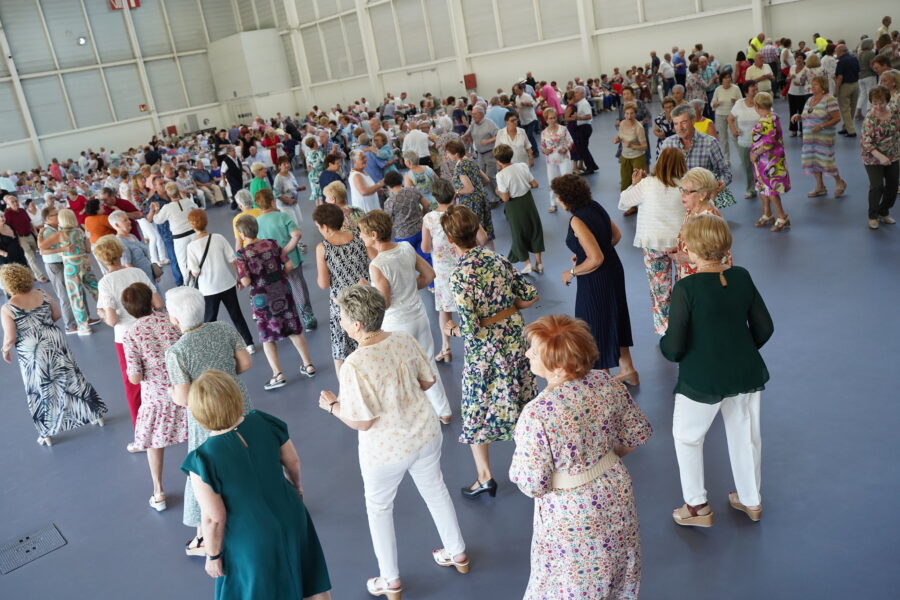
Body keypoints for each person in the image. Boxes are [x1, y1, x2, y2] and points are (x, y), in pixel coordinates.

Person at [318, 284, 467, 599]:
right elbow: (428, 381)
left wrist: (333, 407)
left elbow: (362, 421)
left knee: (380, 509)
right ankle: (458, 553)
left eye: (342, 317)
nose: (340, 321)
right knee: (436, 491)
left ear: (357, 324)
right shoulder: (403, 339)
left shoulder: (354, 364)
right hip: (425, 434)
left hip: (385, 451)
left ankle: (391, 580)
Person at [510, 314, 652, 599]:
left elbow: (533, 484)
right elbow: (636, 435)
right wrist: (601, 458)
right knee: (617, 571)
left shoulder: (537, 414)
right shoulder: (605, 382)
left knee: (571, 582)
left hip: (572, 509)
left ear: (558, 366)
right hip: (614, 490)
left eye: (534, 351)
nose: (527, 354)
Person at [660, 214, 773, 527]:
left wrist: (666, 348)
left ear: (692, 249)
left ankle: (697, 507)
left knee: (687, 437)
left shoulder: (687, 288)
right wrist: (739, 350)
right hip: (745, 372)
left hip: (702, 378)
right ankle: (751, 500)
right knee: (745, 435)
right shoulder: (742, 276)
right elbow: (765, 327)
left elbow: (674, 346)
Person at [181, 371, 332, 599]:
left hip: (250, 537)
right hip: (291, 513)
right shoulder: (263, 421)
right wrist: (297, 488)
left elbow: (214, 517)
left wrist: (213, 556)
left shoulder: (203, 460)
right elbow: (292, 462)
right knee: (310, 581)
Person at [441, 205, 538, 498]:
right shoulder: (498, 259)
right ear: (476, 229)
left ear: (450, 239)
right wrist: (505, 309)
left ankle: (485, 476)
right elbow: (530, 295)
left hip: (485, 353)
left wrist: (452, 330)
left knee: (476, 408)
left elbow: (470, 327)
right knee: (521, 397)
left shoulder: (459, 274)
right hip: (513, 339)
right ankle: (533, 464)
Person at [163, 285, 254, 557]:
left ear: (175, 319)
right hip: (238, 402)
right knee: (249, 452)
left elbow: (183, 398)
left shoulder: (176, 352)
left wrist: (171, 393)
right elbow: (245, 364)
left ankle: (203, 535)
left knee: (203, 470)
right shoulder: (223, 328)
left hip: (206, 416)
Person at [357, 210, 452, 423]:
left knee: (402, 372)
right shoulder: (406, 247)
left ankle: (415, 416)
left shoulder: (377, 265)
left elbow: (385, 302)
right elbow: (429, 275)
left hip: (397, 324)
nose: (360, 236)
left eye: (362, 232)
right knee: (428, 363)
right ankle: (444, 411)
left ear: (373, 235)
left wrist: (368, 290)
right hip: (419, 316)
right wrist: (408, 287)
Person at [1, 263, 106, 447]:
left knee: (40, 387)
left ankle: (47, 431)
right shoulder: (42, 294)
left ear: (8, 284)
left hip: (32, 350)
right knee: (71, 375)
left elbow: (10, 337)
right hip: (54, 340)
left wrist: (4, 350)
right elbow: (57, 315)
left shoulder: (8, 308)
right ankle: (95, 415)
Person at [553, 174, 637, 382]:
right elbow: (616, 236)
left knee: (593, 323)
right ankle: (628, 369)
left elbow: (596, 259)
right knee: (616, 315)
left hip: (596, 278)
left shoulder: (577, 220)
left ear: (565, 198)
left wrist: (571, 272)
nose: (556, 199)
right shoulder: (595, 206)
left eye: (557, 196)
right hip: (614, 269)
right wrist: (585, 252)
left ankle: (603, 379)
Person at [121, 282, 187, 510]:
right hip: (183, 387)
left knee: (153, 442)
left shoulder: (131, 334)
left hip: (157, 397)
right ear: (151, 300)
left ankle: (158, 491)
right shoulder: (170, 319)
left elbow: (135, 377)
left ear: (128, 309)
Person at [234, 214, 316, 390]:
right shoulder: (272, 244)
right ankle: (308, 364)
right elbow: (289, 265)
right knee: (294, 328)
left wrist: (242, 280)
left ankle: (278, 374)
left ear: (242, 234)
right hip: (282, 291)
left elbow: (246, 281)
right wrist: (278, 278)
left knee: (267, 336)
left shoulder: (242, 254)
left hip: (261, 298)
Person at [618, 147, 688, 335]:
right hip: (681, 245)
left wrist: (634, 184)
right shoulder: (686, 186)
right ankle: (686, 327)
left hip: (653, 243)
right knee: (685, 288)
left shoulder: (647, 184)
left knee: (659, 291)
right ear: (682, 164)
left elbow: (624, 202)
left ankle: (665, 331)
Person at [95, 235, 162, 428]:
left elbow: (112, 320)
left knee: (132, 383)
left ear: (101, 259)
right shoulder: (137, 272)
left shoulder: (105, 283)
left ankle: (141, 427)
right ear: (120, 252)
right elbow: (158, 304)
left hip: (125, 337)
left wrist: (101, 314)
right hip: (150, 330)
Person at [312, 203, 371, 374]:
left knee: (341, 350)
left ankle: (345, 387)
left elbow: (323, 283)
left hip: (342, 303)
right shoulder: (359, 237)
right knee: (367, 339)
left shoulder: (323, 248)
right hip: (365, 296)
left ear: (325, 227)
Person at [185, 209, 255, 350]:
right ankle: (249, 343)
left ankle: (214, 349)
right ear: (206, 221)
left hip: (208, 289)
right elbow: (233, 260)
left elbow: (196, 272)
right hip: (227, 283)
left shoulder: (191, 246)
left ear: (192, 225)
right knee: (236, 315)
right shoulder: (218, 238)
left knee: (210, 320)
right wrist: (238, 276)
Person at [254, 189, 317, 329]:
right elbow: (297, 235)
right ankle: (308, 317)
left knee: (279, 291)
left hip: (271, 263)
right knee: (298, 286)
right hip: (292, 259)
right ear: (272, 202)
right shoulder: (283, 217)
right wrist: (285, 251)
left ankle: (288, 321)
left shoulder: (256, 223)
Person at [421, 178, 464, 364]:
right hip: (463, 266)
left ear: (435, 197)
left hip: (443, 271)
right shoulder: (461, 213)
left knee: (444, 310)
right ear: (453, 194)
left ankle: (446, 347)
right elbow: (482, 238)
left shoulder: (429, 218)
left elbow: (425, 248)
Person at [661, 105, 734, 209]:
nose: (679, 128)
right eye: (676, 123)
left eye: (683, 122)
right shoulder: (668, 143)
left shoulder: (710, 143)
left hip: (702, 204)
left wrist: (721, 183)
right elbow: (660, 172)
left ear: (693, 120)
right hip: (675, 204)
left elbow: (725, 173)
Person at [791, 75, 847, 198]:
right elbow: (806, 116)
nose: (812, 86)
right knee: (813, 161)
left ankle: (840, 182)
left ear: (823, 86)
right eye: (812, 84)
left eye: (815, 84)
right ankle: (820, 186)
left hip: (824, 138)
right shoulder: (809, 100)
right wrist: (798, 117)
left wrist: (821, 126)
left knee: (826, 160)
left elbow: (837, 118)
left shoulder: (829, 99)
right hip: (809, 139)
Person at [674, 168, 734, 280]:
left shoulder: (708, 220)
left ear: (702, 194)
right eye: (682, 189)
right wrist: (678, 246)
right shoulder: (692, 210)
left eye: (688, 192)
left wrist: (687, 258)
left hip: (705, 278)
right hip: (690, 273)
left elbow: (714, 257)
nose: (682, 195)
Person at [494, 144, 544, 274]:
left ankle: (527, 264)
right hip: (528, 202)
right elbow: (535, 184)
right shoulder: (522, 166)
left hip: (514, 206)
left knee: (518, 233)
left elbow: (505, 198)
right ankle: (539, 263)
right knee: (535, 229)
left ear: (498, 160)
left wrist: (498, 191)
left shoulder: (501, 175)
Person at [750, 92, 792, 231]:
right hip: (763, 162)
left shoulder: (767, 120)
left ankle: (782, 217)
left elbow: (769, 142)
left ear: (756, 106)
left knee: (772, 190)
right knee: (763, 188)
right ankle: (767, 214)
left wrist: (756, 153)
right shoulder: (771, 116)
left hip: (769, 161)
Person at [860, 85, 899, 229]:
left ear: (887, 101)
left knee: (893, 187)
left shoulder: (894, 113)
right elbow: (866, 142)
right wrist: (880, 157)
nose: (878, 106)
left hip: (893, 155)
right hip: (873, 158)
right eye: (874, 103)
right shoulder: (870, 118)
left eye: (881, 102)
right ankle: (873, 216)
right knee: (877, 186)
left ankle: (883, 212)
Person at [446, 139, 494, 246]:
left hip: (472, 203)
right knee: (487, 232)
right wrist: (478, 188)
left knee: (476, 234)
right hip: (483, 198)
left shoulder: (460, 167)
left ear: (456, 154)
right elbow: (486, 179)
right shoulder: (470, 161)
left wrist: (457, 191)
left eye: (448, 153)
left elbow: (469, 189)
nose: (447, 156)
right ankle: (493, 253)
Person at [147, 182, 198, 281]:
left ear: (168, 193)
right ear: (178, 191)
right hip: (193, 234)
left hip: (179, 238)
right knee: (197, 256)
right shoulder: (187, 201)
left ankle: (188, 282)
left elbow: (157, 220)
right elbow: (196, 208)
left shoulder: (167, 207)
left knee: (183, 263)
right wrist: (184, 197)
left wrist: (156, 210)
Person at [382, 171, 430, 256]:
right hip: (420, 229)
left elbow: (388, 221)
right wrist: (422, 216)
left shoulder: (389, 202)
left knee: (409, 260)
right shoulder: (412, 190)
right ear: (401, 180)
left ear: (388, 185)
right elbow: (426, 204)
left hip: (403, 235)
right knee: (425, 256)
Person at [728, 80, 762, 199]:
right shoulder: (739, 104)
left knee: (761, 166)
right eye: (753, 90)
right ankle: (750, 189)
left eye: (757, 89)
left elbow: (770, 116)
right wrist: (734, 130)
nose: (756, 91)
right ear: (746, 92)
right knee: (747, 167)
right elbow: (730, 119)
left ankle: (764, 188)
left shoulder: (761, 102)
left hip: (760, 143)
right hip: (744, 142)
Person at [3, 194, 46, 281]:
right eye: (12, 202)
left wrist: (36, 234)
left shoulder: (22, 210)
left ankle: (30, 274)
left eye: (16, 201)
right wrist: (16, 238)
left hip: (29, 235)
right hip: (20, 238)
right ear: (8, 204)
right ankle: (40, 276)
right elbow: (7, 227)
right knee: (31, 257)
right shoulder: (7, 214)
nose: (15, 203)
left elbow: (29, 222)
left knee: (36, 254)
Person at [538, 107, 573, 212]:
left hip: (564, 158)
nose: (553, 120)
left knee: (567, 181)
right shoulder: (544, 133)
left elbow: (570, 141)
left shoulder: (563, 129)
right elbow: (542, 146)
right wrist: (544, 151)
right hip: (551, 161)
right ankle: (553, 204)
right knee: (552, 182)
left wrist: (565, 148)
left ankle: (570, 202)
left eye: (554, 117)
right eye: (550, 118)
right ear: (546, 120)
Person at [109, 210, 155, 284]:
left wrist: (154, 272)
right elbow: (127, 264)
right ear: (117, 225)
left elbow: (144, 255)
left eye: (128, 219)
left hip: (150, 276)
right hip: (141, 280)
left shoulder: (132, 236)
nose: (129, 222)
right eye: (125, 220)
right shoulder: (120, 242)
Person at [614, 103, 649, 192]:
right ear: (624, 114)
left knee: (638, 183)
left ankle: (638, 200)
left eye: (632, 113)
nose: (629, 116)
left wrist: (631, 145)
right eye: (627, 113)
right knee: (625, 182)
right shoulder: (622, 123)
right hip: (625, 156)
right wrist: (617, 139)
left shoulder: (639, 127)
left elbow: (645, 147)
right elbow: (620, 135)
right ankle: (625, 199)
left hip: (637, 157)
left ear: (635, 114)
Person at [710, 72, 742, 161]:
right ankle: (726, 159)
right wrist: (715, 104)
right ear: (721, 80)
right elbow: (712, 103)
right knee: (723, 138)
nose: (727, 79)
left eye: (729, 77)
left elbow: (741, 102)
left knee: (735, 136)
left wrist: (736, 101)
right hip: (720, 115)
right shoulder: (718, 89)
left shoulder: (736, 88)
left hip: (732, 115)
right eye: (725, 78)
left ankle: (742, 157)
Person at [833, 44, 860, 136]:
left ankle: (851, 130)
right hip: (855, 84)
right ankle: (846, 127)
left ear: (841, 52)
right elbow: (858, 72)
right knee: (852, 108)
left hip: (845, 86)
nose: (836, 53)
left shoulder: (841, 62)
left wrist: (836, 89)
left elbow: (840, 77)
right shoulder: (854, 58)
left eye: (836, 52)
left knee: (845, 109)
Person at [572, 86, 599, 174]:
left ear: (582, 94)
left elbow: (589, 116)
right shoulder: (579, 103)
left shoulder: (584, 103)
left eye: (576, 92)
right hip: (582, 127)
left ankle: (590, 168)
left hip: (584, 127)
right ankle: (592, 166)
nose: (574, 94)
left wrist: (578, 118)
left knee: (583, 149)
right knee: (583, 149)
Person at [273, 157, 307, 227]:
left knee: (300, 221)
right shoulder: (278, 179)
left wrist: (299, 188)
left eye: (288, 163)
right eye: (284, 164)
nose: (287, 165)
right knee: (294, 224)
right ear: (279, 166)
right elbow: (276, 194)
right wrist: (288, 200)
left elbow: (291, 188)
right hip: (285, 205)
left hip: (294, 202)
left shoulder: (290, 174)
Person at [786, 53, 811, 137]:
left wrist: (800, 84)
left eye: (800, 58)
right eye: (797, 58)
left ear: (803, 60)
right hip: (791, 92)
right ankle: (793, 130)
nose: (798, 59)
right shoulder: (792, 67)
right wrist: (790, 78)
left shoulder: (806, 70)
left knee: (802, 112)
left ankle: (802, 130)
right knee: (792, 112)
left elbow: (809, 83)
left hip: (802, 93)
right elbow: (787, 79)